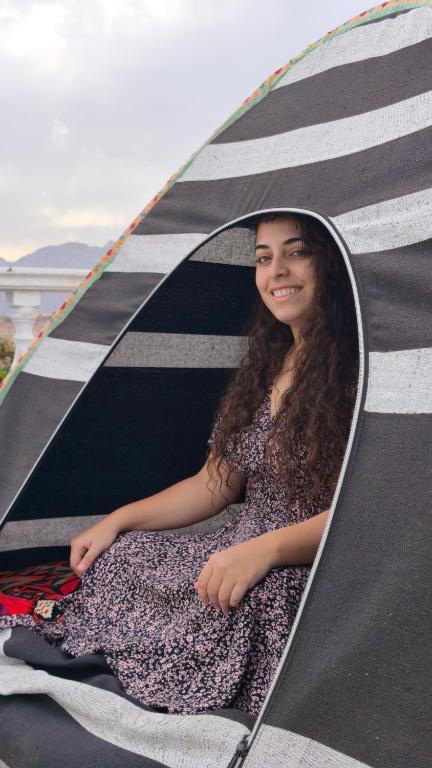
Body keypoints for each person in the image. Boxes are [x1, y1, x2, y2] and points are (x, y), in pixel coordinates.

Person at [0, 212, 358, 716]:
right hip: (237, 546)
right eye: (263, 258)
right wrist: (116, 521)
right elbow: (213, 485)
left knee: (251, 600)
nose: (276, 270)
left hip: (308, 562)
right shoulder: (269, 364)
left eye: (296, 252)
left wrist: (267, 551)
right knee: (123, 555)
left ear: (334, 265)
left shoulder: (362, 372)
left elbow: (372, 506)